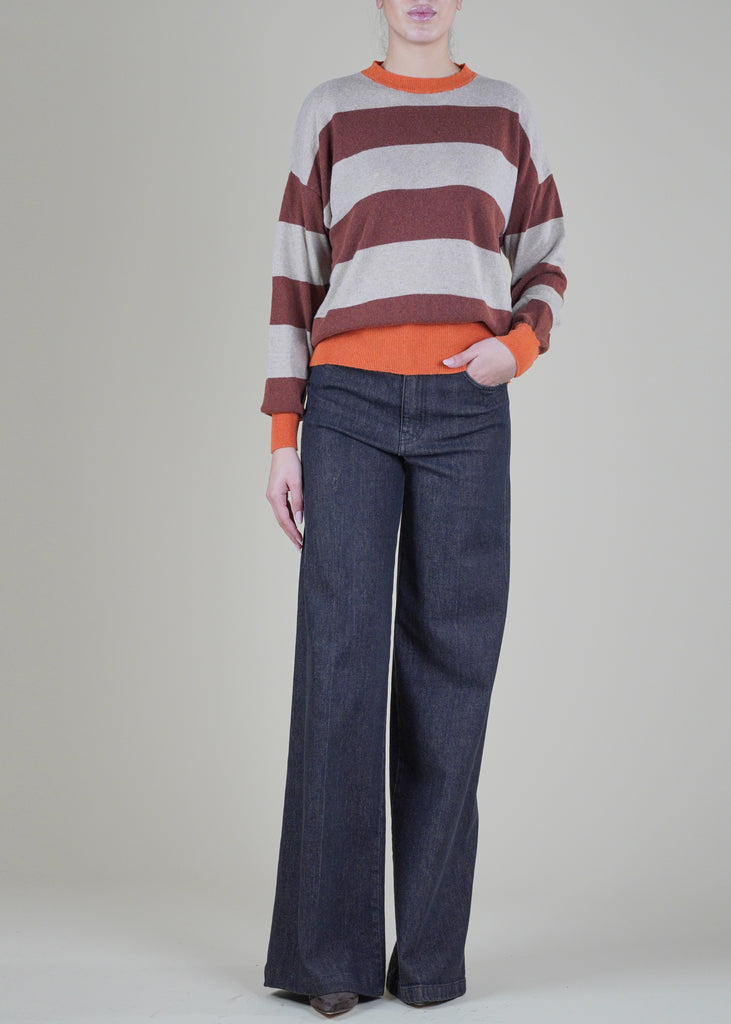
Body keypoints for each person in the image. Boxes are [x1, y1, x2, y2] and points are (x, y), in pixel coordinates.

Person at [260, 0, 567, 1016]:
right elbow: (293, 276)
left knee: (451, 672)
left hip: (465, 410)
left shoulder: (504, 113)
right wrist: (282, 434)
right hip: (345, 406)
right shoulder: (331, 110)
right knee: (338, 666)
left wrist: (515, 350)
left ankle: (430, 962)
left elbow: (547, 257)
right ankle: (330, 964)